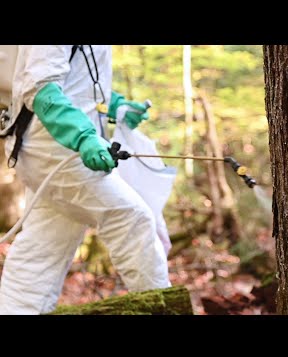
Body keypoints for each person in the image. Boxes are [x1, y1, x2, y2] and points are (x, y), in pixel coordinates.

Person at [0, 45, 170, 315]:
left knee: (42, 250)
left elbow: (79, 82)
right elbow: (40, 87)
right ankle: (166, 309)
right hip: (56, 152)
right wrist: (84, 138)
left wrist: (117, 105)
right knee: (131, 219)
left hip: (53, 150)